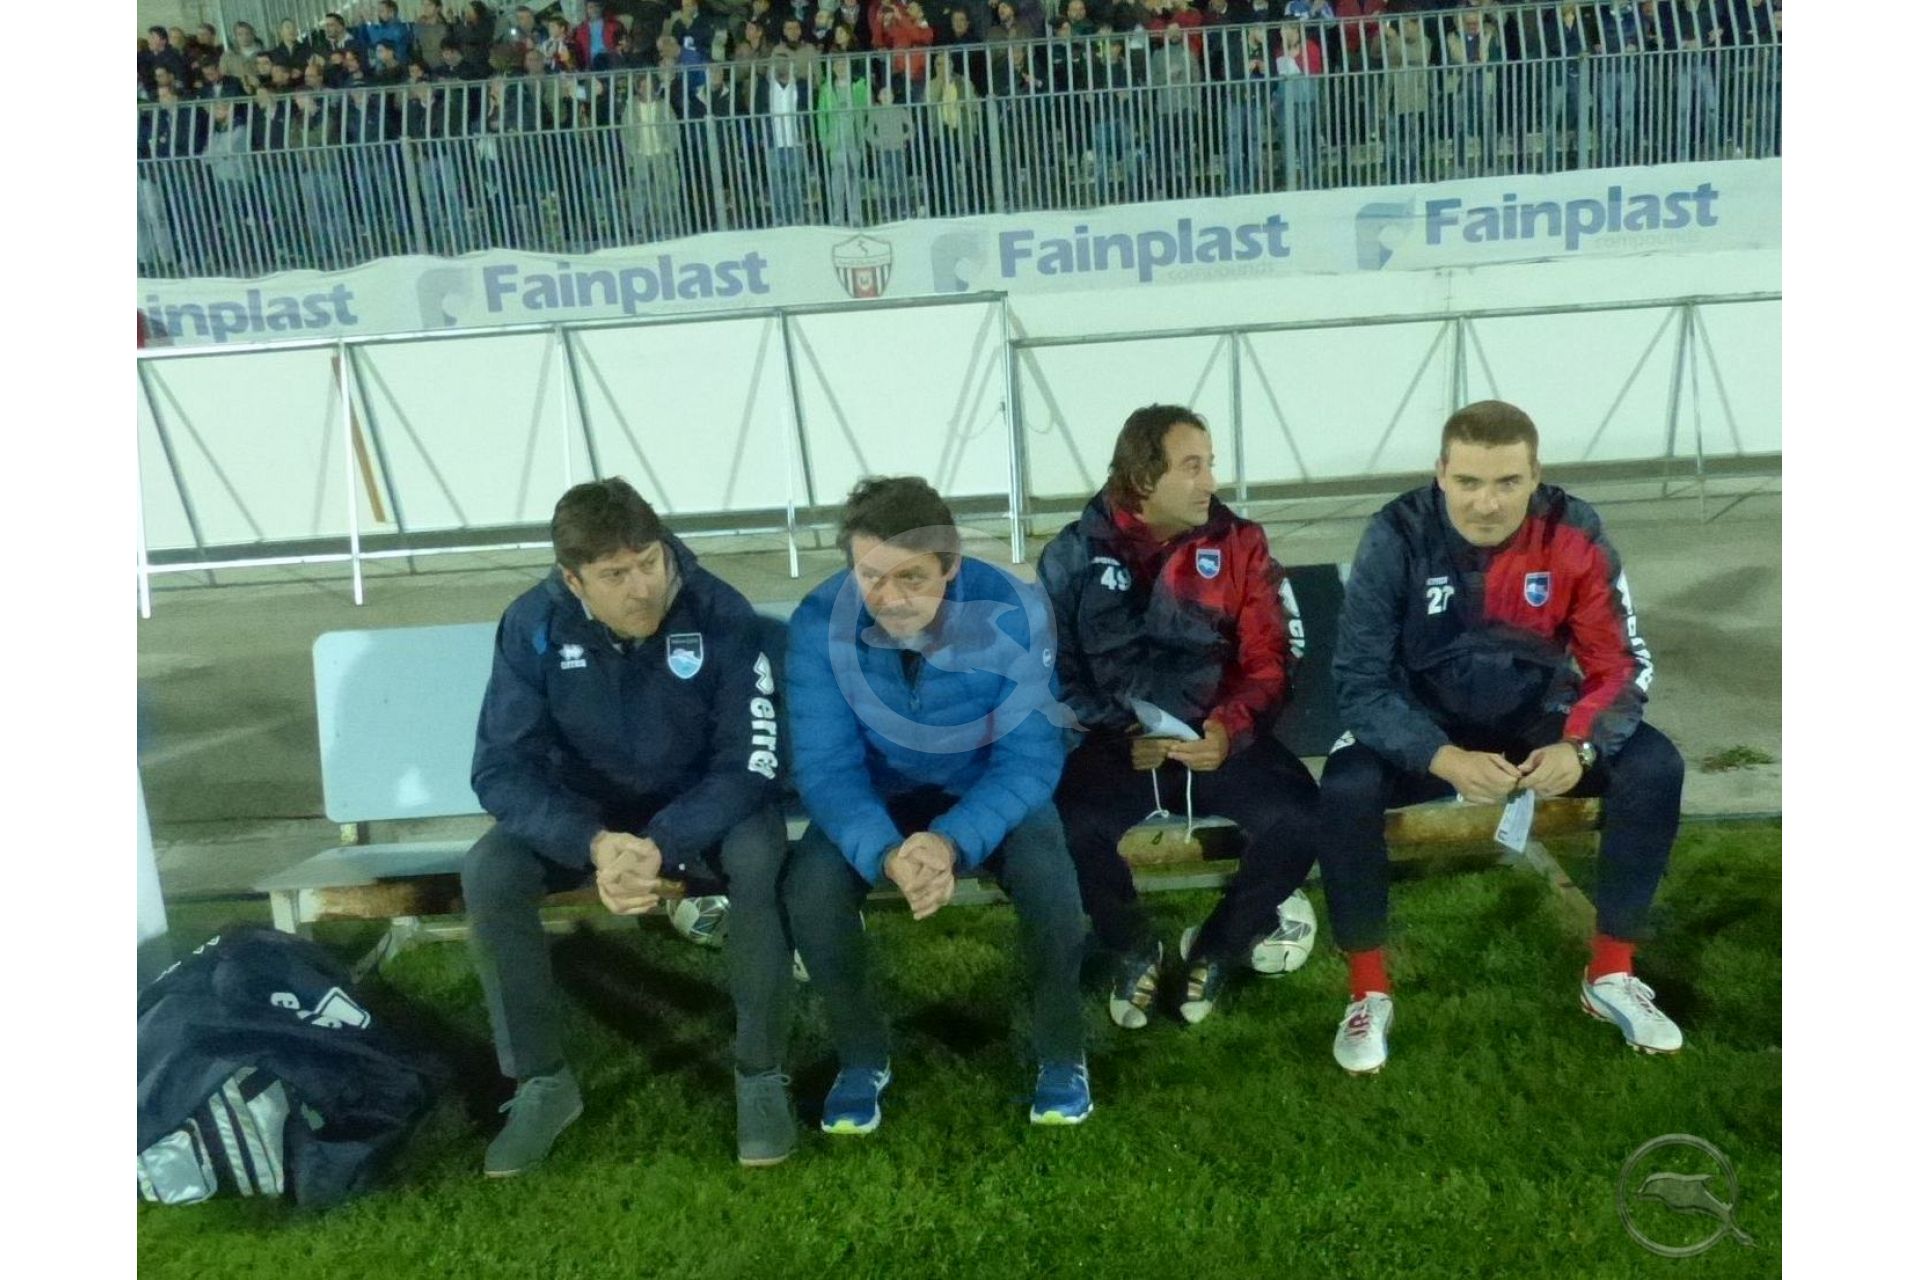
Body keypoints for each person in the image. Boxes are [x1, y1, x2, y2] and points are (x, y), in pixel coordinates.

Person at [1317, 401, 1684, 1075]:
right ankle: (1368, 990)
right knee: (1345, 787)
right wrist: (1440, 756)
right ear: (1440, 473)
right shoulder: (1397, 534)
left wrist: (1580, 745)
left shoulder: (1573, 530)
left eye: (1508, 482)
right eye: (1468, 482)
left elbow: (1621, 664)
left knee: (1655, 764)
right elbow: (1359, 682)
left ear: (1535, 475)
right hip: (1426, 727)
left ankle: (1610, 973)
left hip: (1537, 722)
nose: (1486, 503)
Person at [463, 479, 797, 1173]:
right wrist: (592, 843)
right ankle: (542, 1081)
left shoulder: (719, 610)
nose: (641, 588)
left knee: (760, 853)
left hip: (700, 811)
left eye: (649, 563)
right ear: (574, 580)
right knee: (491, 870)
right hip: (589, 823)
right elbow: (500, 769)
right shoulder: (533, 624)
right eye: (615, 576)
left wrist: (662, 842)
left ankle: (761, 1073)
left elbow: (752, 762)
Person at [783, 477, 1091, 1132]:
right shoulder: (819, 623)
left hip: (981, 786)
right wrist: (886, 852)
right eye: (870, 576)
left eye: (912, 577)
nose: (889, 597)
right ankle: (861, 1057)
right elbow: (827, 767)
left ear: (950, 566)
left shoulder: (1013, 612)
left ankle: (1063, 1053)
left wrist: (950, 841)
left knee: (1050, 880)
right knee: (810, 889)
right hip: (876, 795)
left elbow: (1031, 758)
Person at [1037, 405, 1319, 1029]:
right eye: (1192, 467)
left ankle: (1217, 946)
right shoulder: (1072, 554)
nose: (1210, 482)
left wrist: (1227, 730)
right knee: (1062, 824)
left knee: (1301, 817)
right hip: (1118, 745)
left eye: (1210, 464)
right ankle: (1133, 946)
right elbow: (1053, 673)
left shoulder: (1240, 544)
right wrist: (1120, 730)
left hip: (1216, 741)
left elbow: (1271, 659)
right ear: (1143, 478)